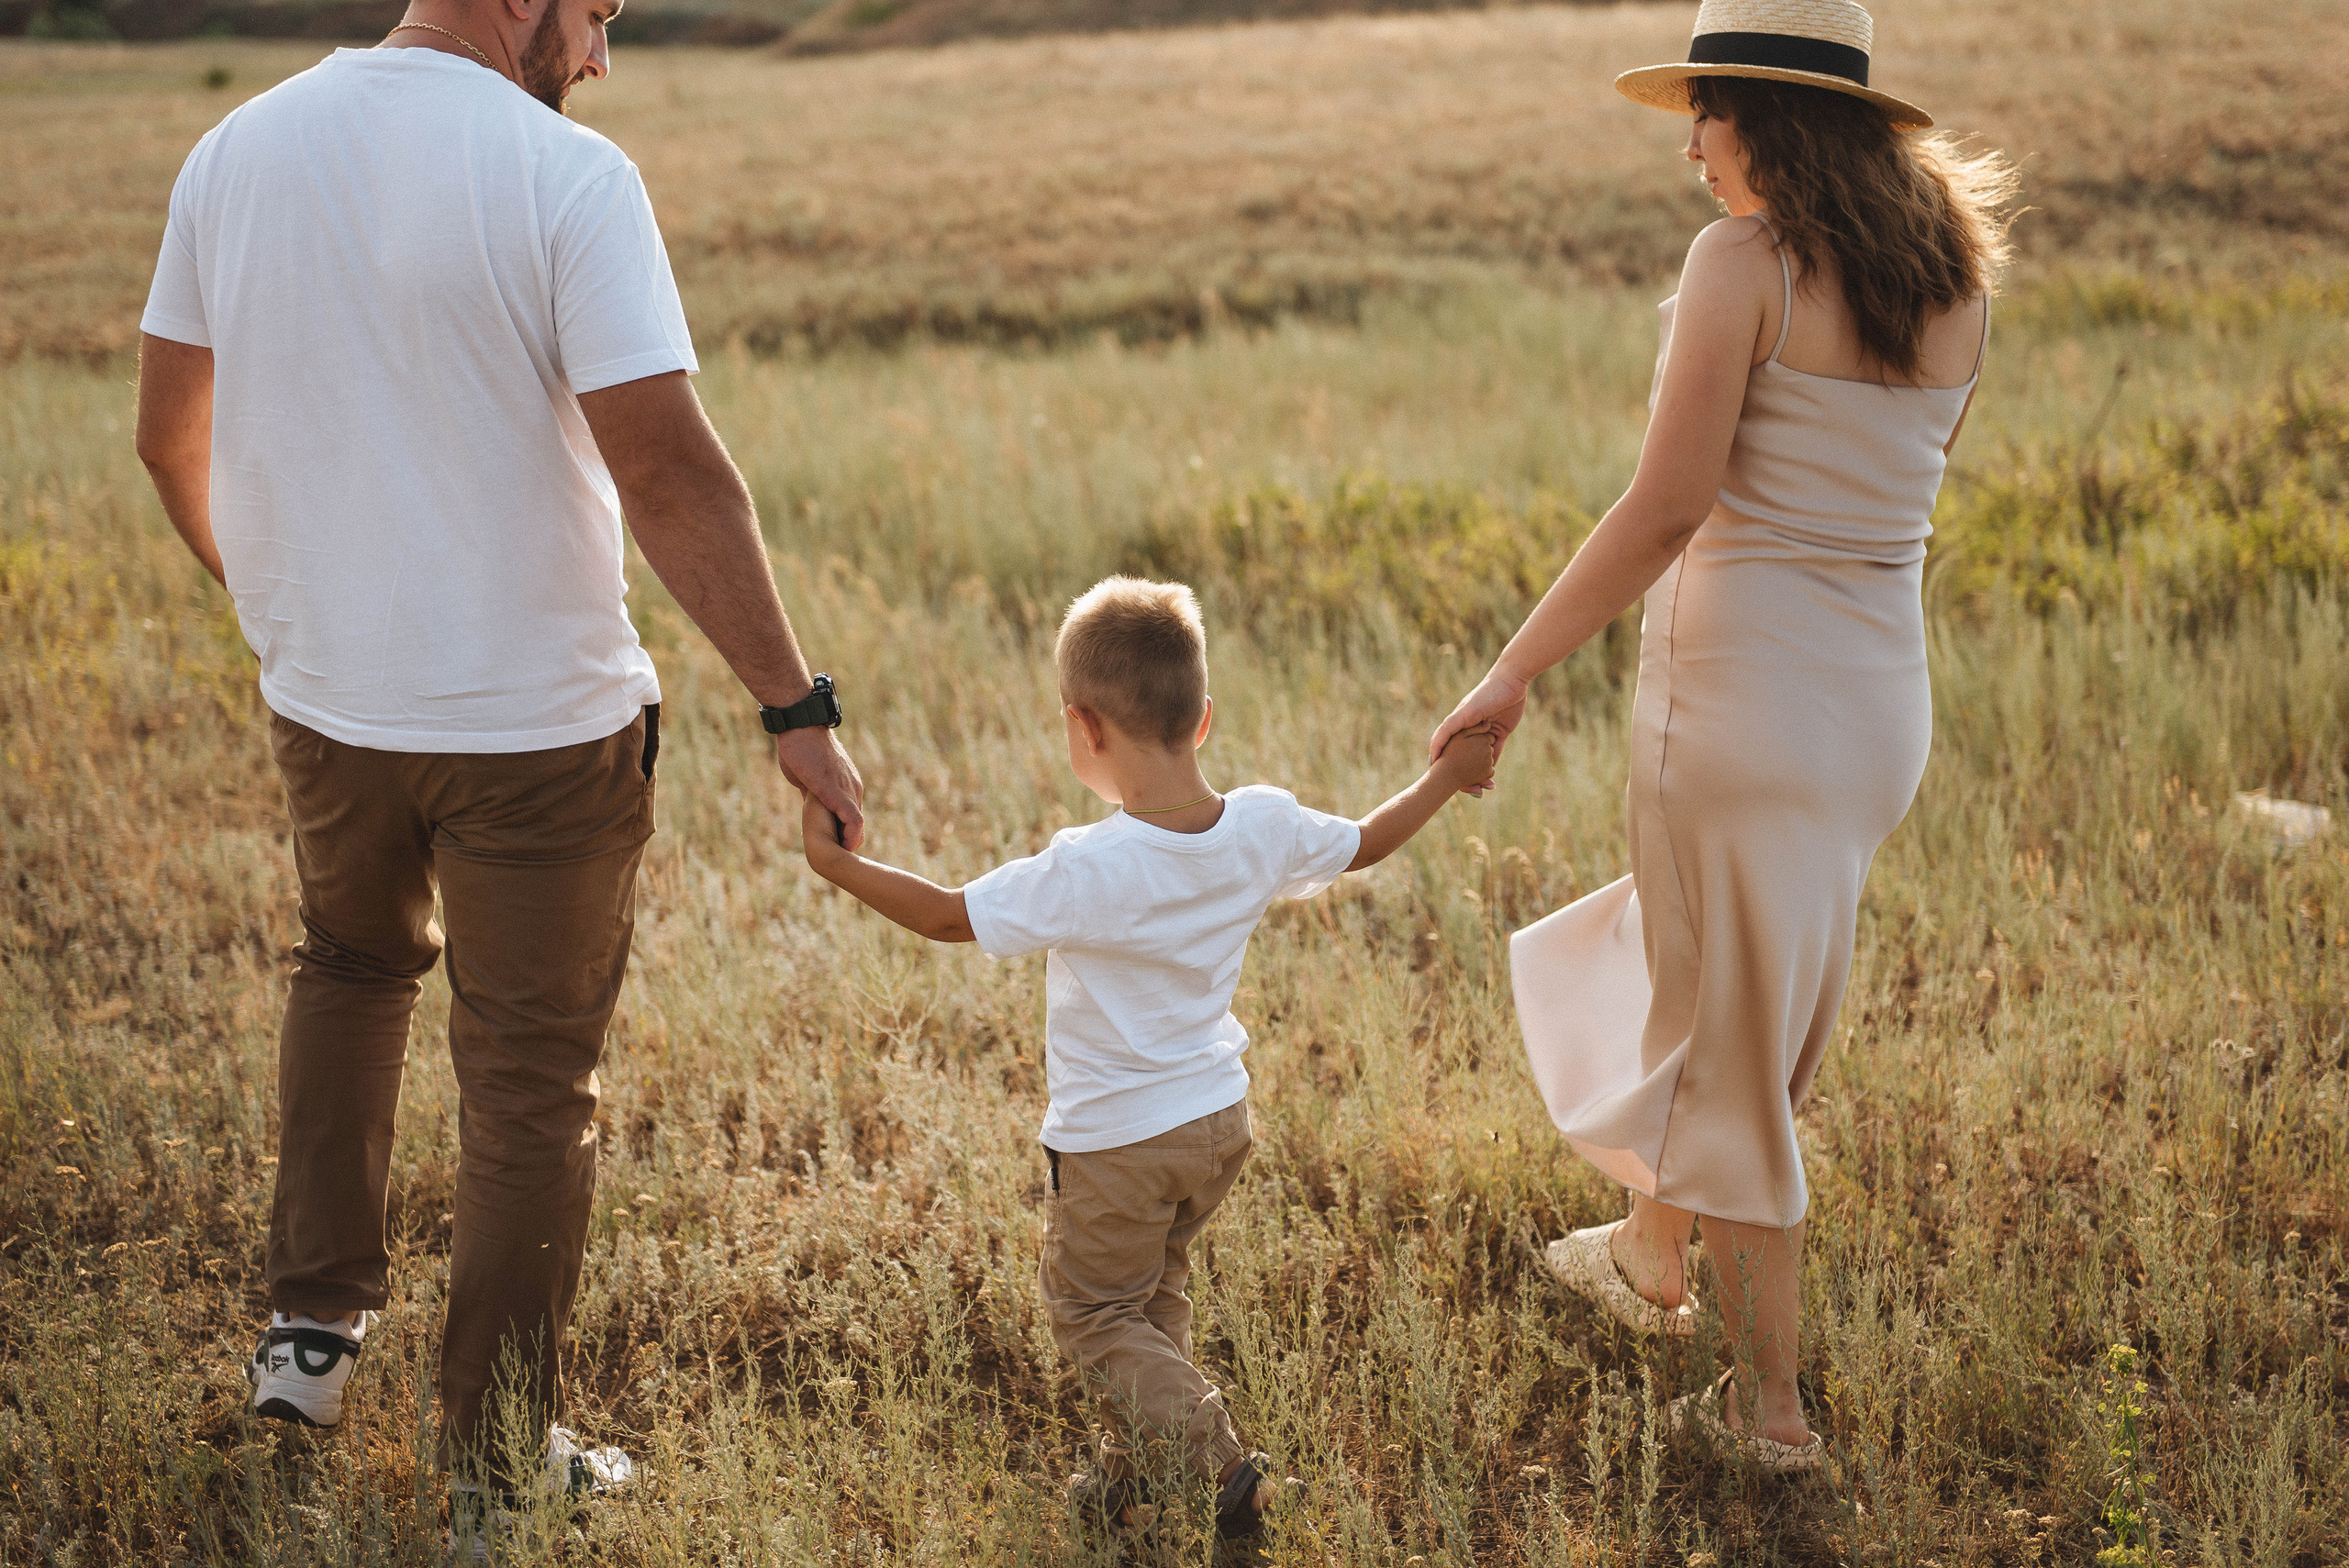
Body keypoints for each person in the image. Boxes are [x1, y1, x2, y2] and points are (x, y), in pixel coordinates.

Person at [131, 0, 866, 1525]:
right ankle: (487, 1454)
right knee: (531, 1082)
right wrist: (797, 710)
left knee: (346, 969)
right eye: (597, 14)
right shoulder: (567, 181)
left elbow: (164, 433)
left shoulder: (235, 147)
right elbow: (668, 468)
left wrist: (281, 601)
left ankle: (307, 1340)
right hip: (539, 731)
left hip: (330, 703)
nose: (599, 56)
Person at [1428, 0, 2013, 1473]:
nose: (1690, 143)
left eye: (1705, 110)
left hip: (1740, 705)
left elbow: (1669, 504)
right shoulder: (1958, 276)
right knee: (1740, 990)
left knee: (1738, 1042)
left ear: (1765, 116)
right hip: (1876, 714)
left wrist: (1511, 669)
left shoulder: (1742, 263)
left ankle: (1766, 1415)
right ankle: (1648, 1245)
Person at [800, 577, 1496, 1548]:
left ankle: (1226, 1464)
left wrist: (838, 866)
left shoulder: (1089, 866)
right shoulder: (1260, 822)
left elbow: (949, 915)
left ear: (1082, 728)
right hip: (1216, 1121)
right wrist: (1447, 778)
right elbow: (1367, 843)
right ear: (1201, 718)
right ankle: (1126, 1475)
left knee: (1092, 1315)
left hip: (1118, 1139)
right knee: (1150, 1297)